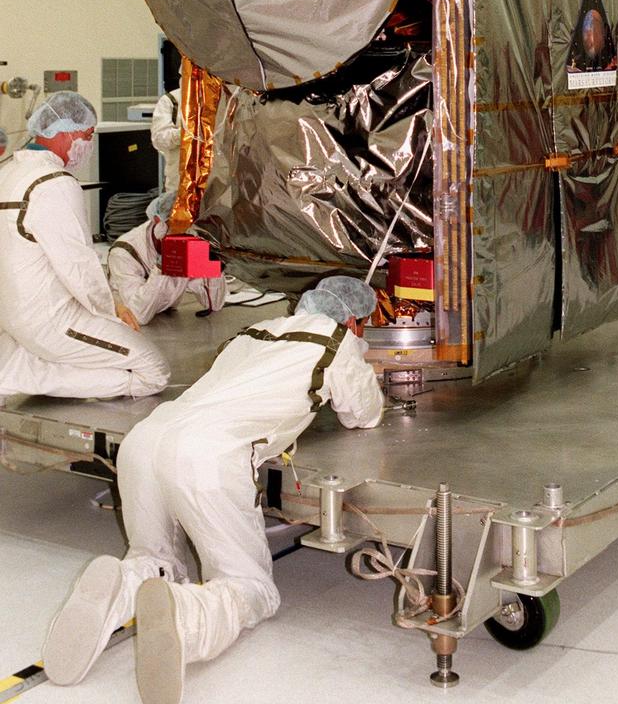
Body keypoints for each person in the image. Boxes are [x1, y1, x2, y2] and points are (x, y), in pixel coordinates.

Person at [43, 274, 384, 704]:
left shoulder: (252, 332)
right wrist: (361, 358)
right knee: (249, 586)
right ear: (352, 321)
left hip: (145, 441)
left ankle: (123, 584)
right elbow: (363, 414)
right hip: (206, 457)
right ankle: (187, 617)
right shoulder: (337, 341)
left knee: (154, 557)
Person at [0, 94, 170, 403]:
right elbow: (79, 266)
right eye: (88, 135)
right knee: (153, 371)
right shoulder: (53, 182)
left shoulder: (8, 172)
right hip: (51, 321)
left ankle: (25, 363)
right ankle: (23, 375)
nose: (89, 145)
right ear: (66, 131)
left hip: (12, 318)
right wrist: (113, 312)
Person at [108, 192, 227, 324]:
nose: (187, 235)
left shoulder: (189, 241)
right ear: (158, 222)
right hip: (126, 326)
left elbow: (214, 304)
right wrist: (163, 265)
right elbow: (137, 315)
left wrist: (215, 267)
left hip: (166, 318)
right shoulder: (124, 253)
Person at [151, 80, 182, 193]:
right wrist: (185, 133)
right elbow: (159, 139)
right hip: (179, 185)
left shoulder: (221, 97)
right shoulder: (171, 100)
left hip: (217, 186)